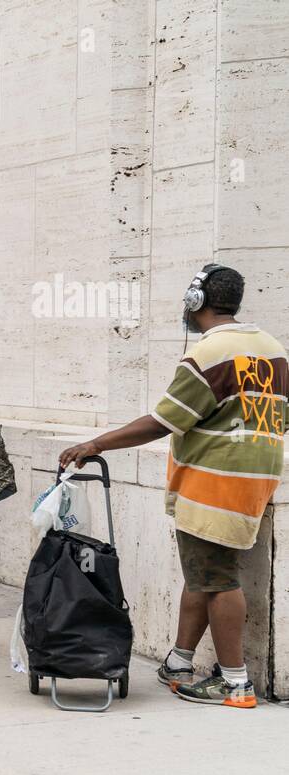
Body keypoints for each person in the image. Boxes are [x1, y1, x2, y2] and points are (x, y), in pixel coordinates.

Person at [60, 264, 286, 708]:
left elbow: (163, 421)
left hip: (213, 481)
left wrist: (96, 443)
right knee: (201, 572)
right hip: (254, 478)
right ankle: (180, 662)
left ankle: (235, 683)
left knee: (219, 578)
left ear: (195, 302)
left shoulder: (210, 353)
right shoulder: (273, 349)